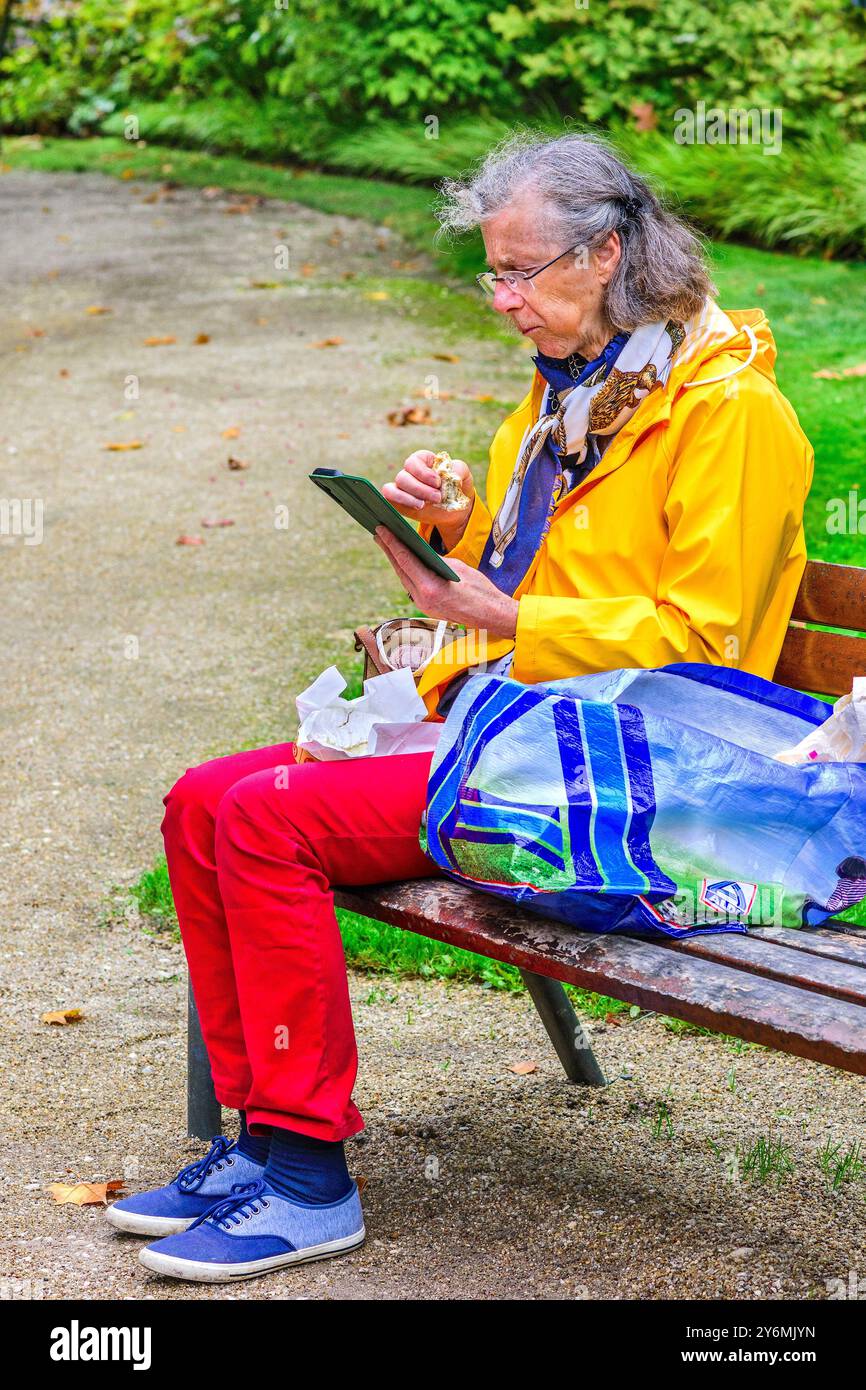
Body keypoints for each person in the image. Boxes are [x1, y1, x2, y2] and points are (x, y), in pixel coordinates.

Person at [106, 130, 813, 1282]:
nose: (502, 300)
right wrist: (449, 530)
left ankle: (305, 1176)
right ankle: (259, 1135)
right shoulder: (576, 392)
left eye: (520, 271)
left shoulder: (728, 413)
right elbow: (529, 571)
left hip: (644, 764)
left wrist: (507, 622)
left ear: (606, 253)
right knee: (201, 802)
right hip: (528, 726)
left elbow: (708, 644)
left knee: (269, 819)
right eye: (493, 272)